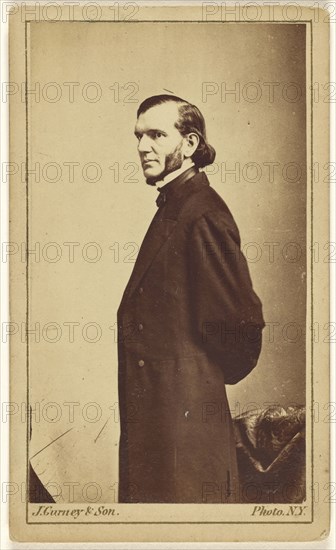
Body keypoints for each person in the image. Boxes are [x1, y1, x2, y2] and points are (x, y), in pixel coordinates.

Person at [117, 94, 265, 503]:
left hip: (185, 433)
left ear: (189, 144)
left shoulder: (202, 213)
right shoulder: (175, 206)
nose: (142, 146)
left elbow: (240, 328)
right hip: (160, 428)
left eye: (156, 135)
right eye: (139, 136)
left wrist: (194, 383)